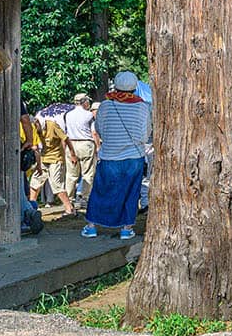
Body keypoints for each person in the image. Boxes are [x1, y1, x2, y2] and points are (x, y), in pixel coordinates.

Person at [83, 72, 150, 240]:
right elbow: (145, 134)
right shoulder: (142, 107)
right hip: (134, 156)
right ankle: (126, 229)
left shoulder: (105, 106)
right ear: (135, 88)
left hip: (109, 156)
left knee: (101, 190)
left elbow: (99, 129)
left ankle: (91, 226)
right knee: (130, 192)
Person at [30, 105, 73, 214]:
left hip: (56, 158)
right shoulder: (34, 129)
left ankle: (69, 208)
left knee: (56, 185)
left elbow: (66, 138)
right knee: (35, 182)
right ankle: (31, 206)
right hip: (43, 157)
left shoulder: (52, 125)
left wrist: (72, 153)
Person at [63, 91, 99, 205]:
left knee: (71, 174)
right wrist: (98, 146)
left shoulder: (68, 115)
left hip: (71, 144)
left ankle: (69, 199)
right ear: (84, 102)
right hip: (86, 144)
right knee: (87, 173)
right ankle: (85, 197)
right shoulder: (88, 115)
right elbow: (93, 132)